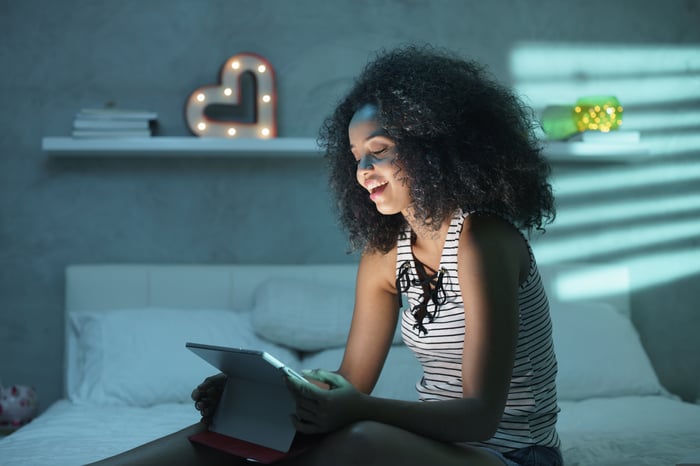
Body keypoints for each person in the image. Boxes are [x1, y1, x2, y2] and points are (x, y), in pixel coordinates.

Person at [90, 44, 562, 466]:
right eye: (356, 155)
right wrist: (260, 398)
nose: (363, 171)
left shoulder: (483, 238)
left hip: (513, 455)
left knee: (356, 439)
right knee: (240, 429)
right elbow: (350, 381)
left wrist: (357, 410)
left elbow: (479, 417)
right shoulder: (384, 256)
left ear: (435, 149)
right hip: (436, 449)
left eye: (379, 150)